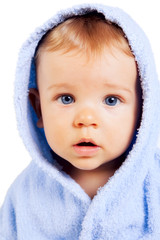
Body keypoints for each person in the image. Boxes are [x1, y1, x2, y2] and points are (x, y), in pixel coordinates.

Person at [0, 3, 160, 240]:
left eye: (111, 100)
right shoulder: (24, 193)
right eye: (66, 99)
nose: (86, 119)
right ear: (38, 108)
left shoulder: (154, 182)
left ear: (143, 109)